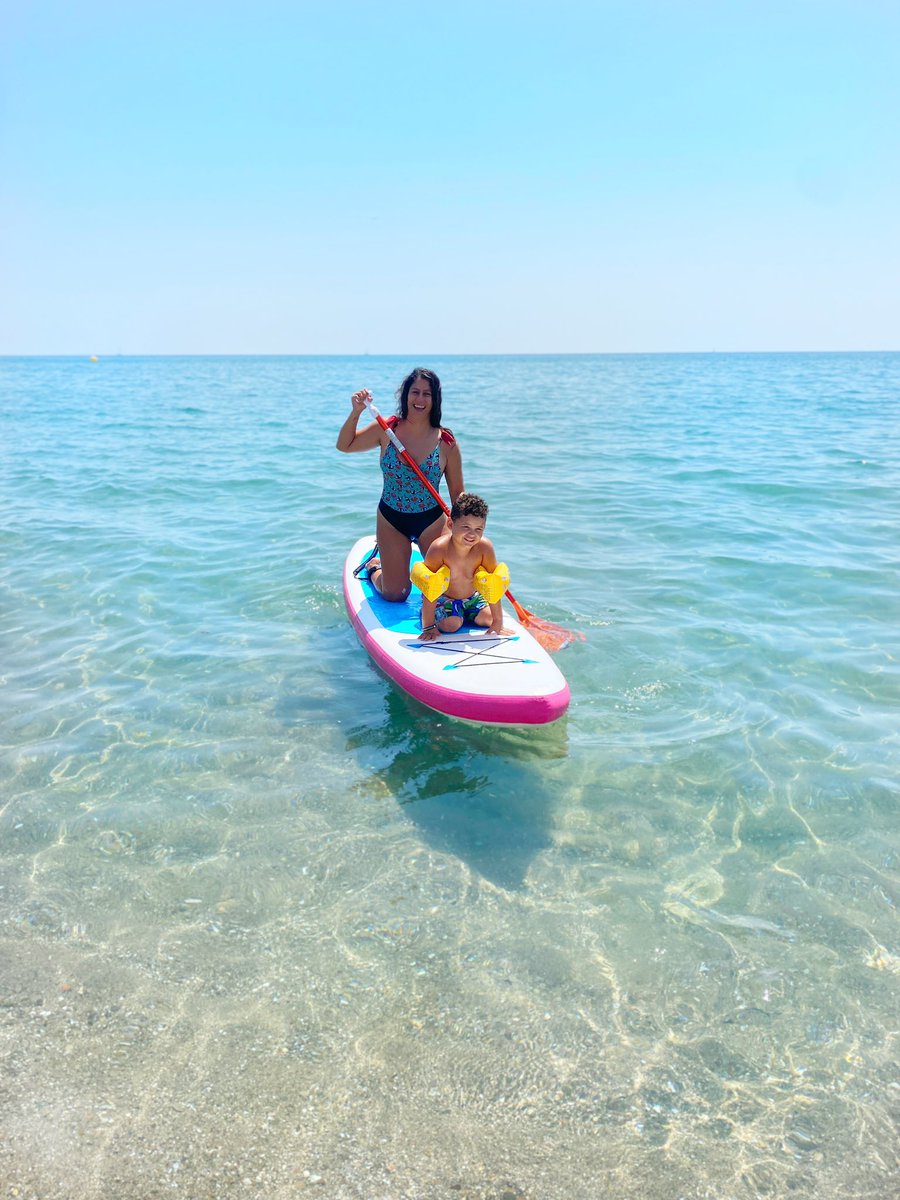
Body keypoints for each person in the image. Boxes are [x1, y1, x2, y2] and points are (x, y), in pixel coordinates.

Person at [336, 368, 464, 601]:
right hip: (392, 520)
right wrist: (356, 412)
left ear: (435, 400)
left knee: (451, 590)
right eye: (415, 392)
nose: (420, 399)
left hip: (432, 521)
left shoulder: (446, 443)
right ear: (405, 396)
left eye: (427, 394)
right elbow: (345, 445)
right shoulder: (386, 431)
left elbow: (457, 494)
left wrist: (467, 529)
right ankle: (375, 568)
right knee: (396, 594)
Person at [415, 492, 510, 641]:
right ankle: (374, 568)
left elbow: (493, 585)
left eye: (479, 529)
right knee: (452, 625)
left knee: (490, 619)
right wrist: (428, 626)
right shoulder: (439, 549)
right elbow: (430, 588)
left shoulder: (485, 548)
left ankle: (465, 613)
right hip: (444, 598)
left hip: (472, 598)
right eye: (466, 527)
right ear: (451, 524)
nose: (472, 534)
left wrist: (498, 622)